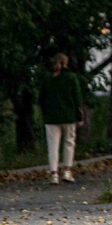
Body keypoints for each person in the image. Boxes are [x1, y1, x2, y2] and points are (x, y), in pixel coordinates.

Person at [40, 52, 87, 183]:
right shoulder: (71, 77)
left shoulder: (47, 78)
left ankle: (54, 173)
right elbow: (77, 98)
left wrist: (46, 113)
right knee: (69, 143)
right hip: (68, 116)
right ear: (66, 62)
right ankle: (67, 171)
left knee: (53, 146)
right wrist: (79, 116)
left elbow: (41, 98)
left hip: (51, 118)